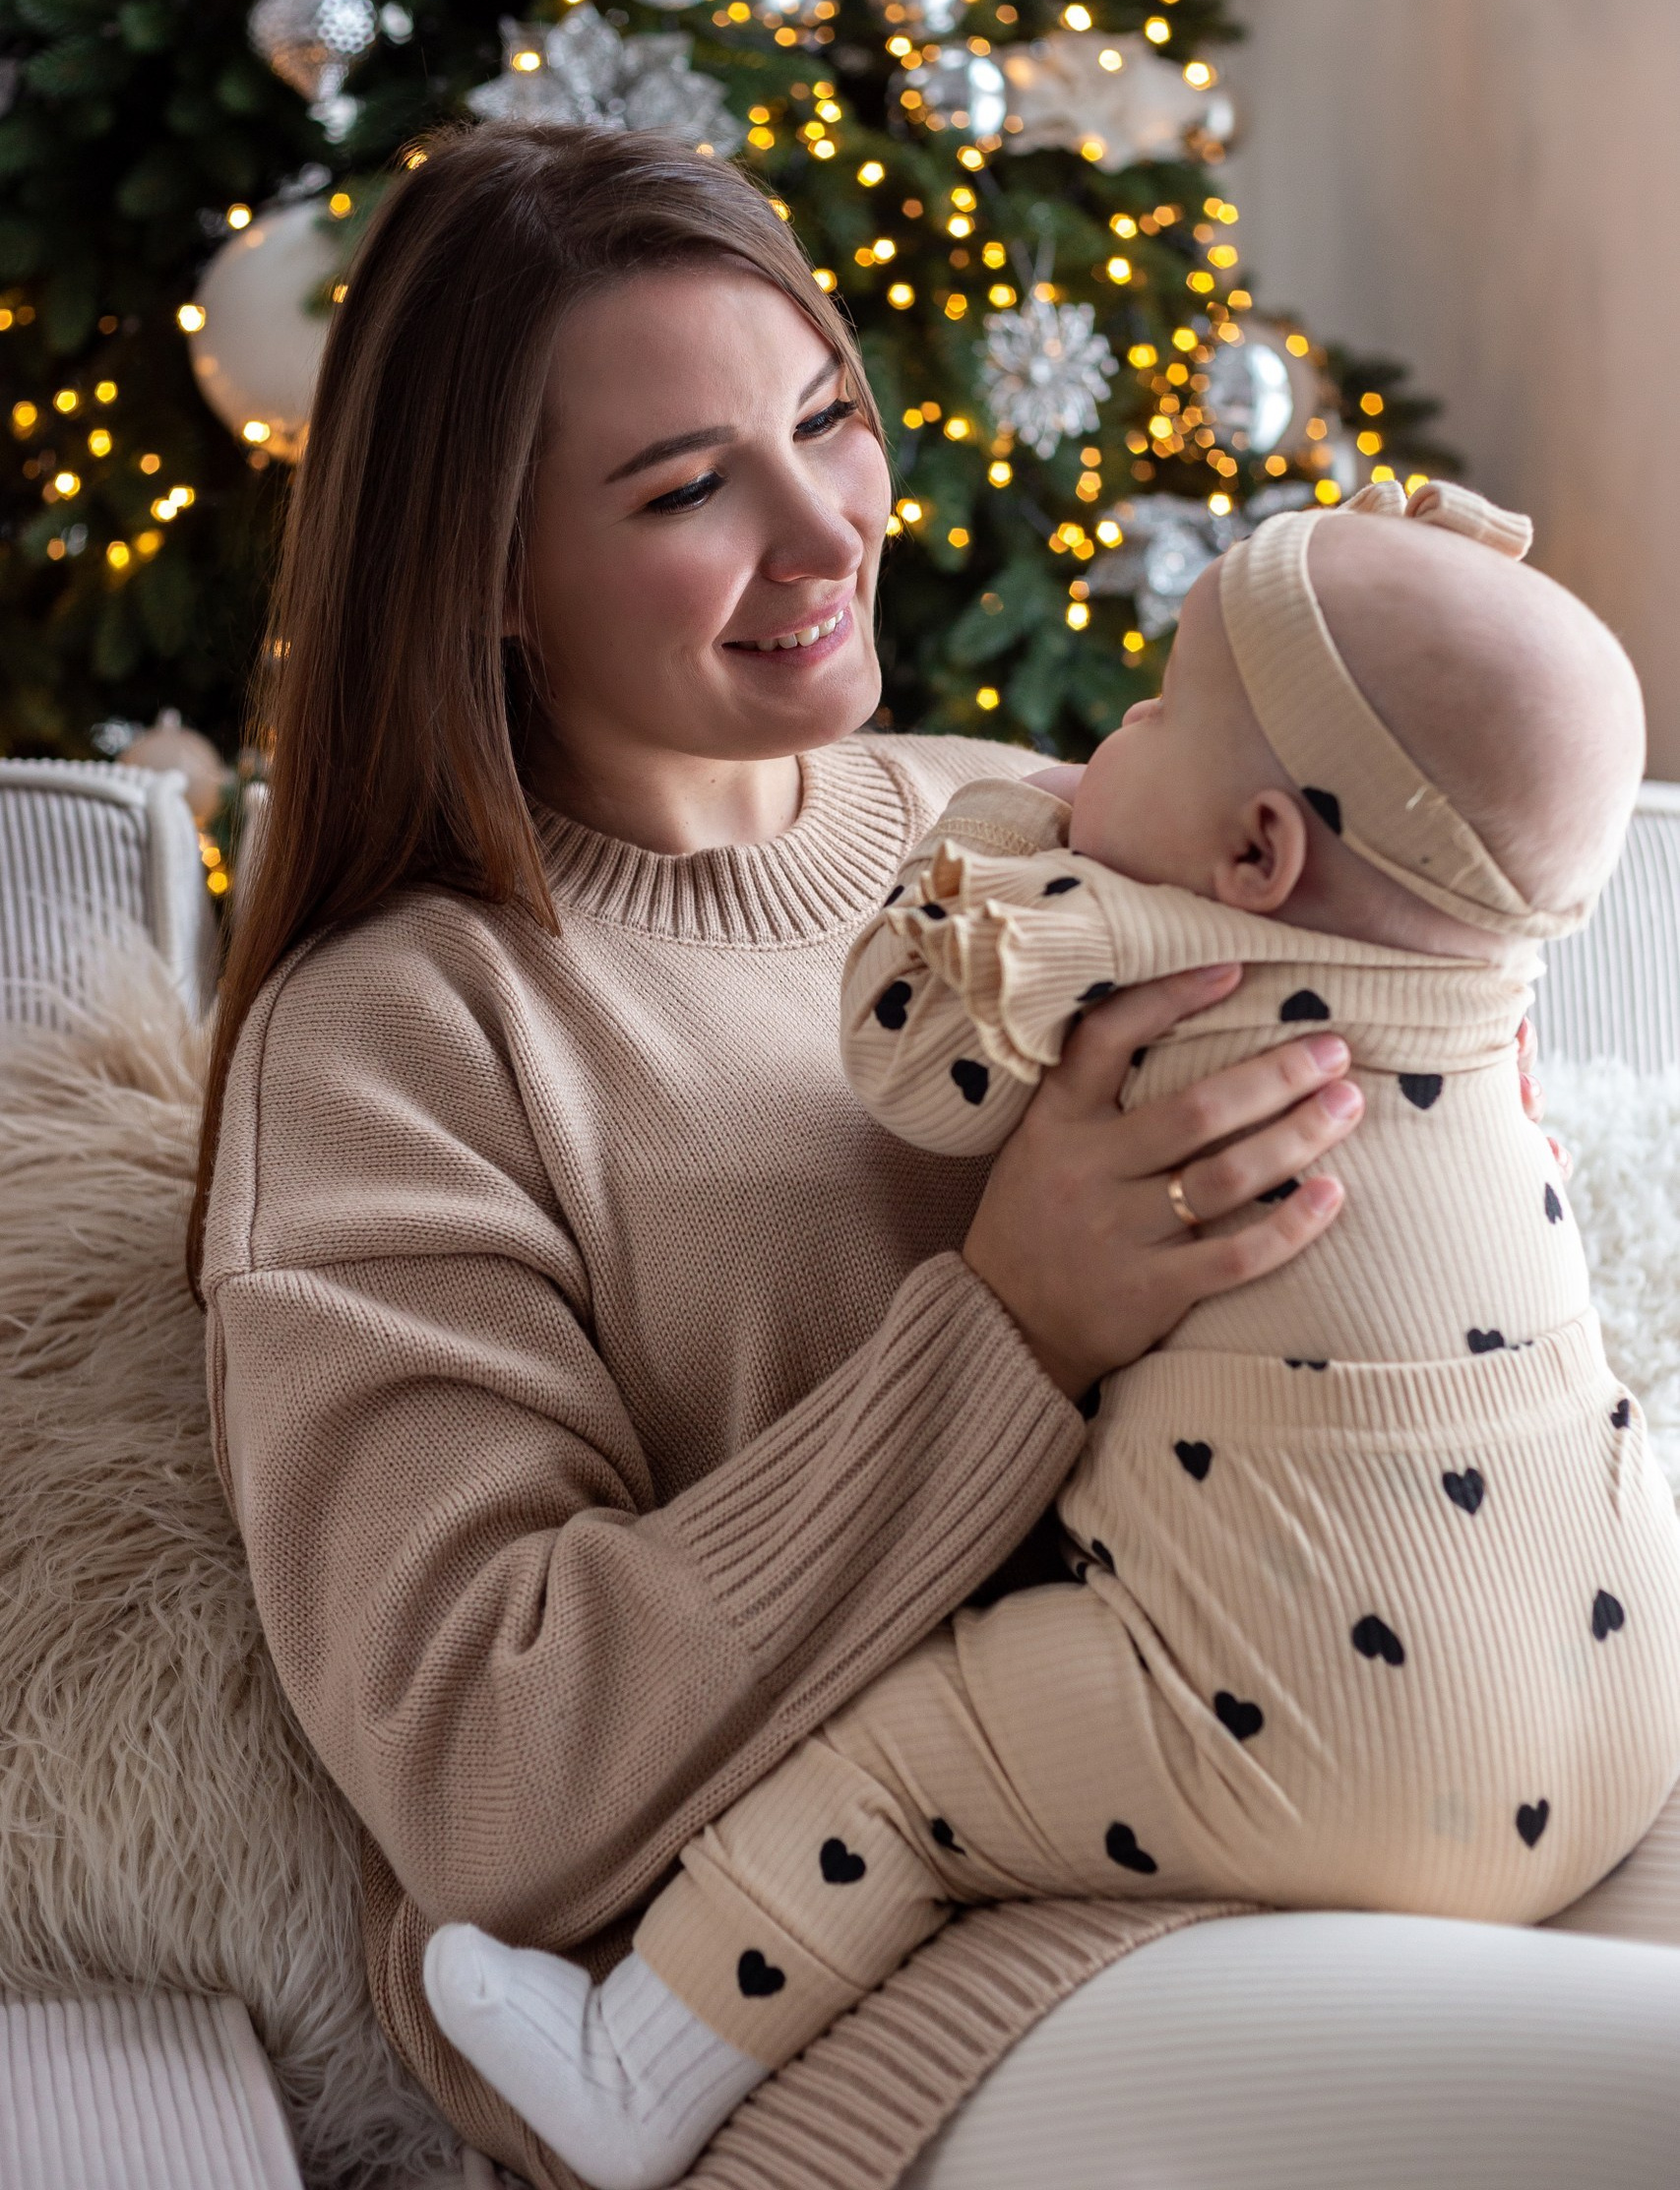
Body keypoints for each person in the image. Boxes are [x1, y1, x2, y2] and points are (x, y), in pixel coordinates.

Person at [191, 122, 1680, 2190]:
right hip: (842, 2003)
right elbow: (484, 1774)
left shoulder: (1039, 821)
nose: (823, 532)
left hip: (1365, 1805)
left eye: (822, 420)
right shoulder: (396, 1039)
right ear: (486, 573)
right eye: (686, 486)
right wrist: (1009, 1325)